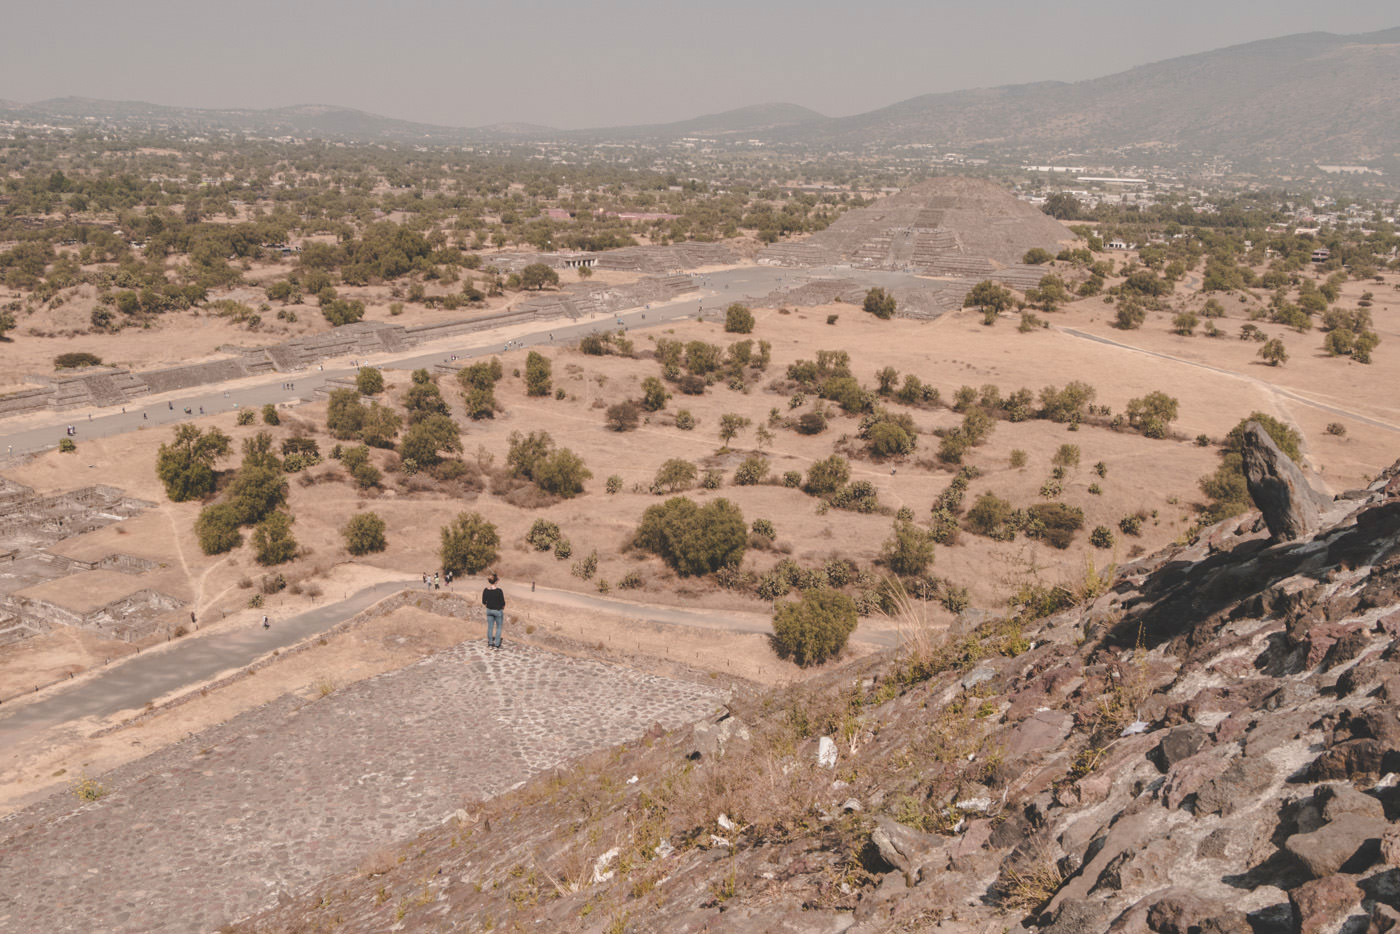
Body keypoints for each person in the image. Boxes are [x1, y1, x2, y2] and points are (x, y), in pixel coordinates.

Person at [482, 573, 505, 649]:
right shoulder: (499, 591)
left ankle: (490, 643)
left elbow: (483, 601)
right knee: (498, 627)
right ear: (496, 581)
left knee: (490, 627)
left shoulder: (486, 590)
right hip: (497, 611)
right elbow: (502, 602)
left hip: (489, 610)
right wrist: (501, 607)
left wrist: (489, 606)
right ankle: (497, 644)